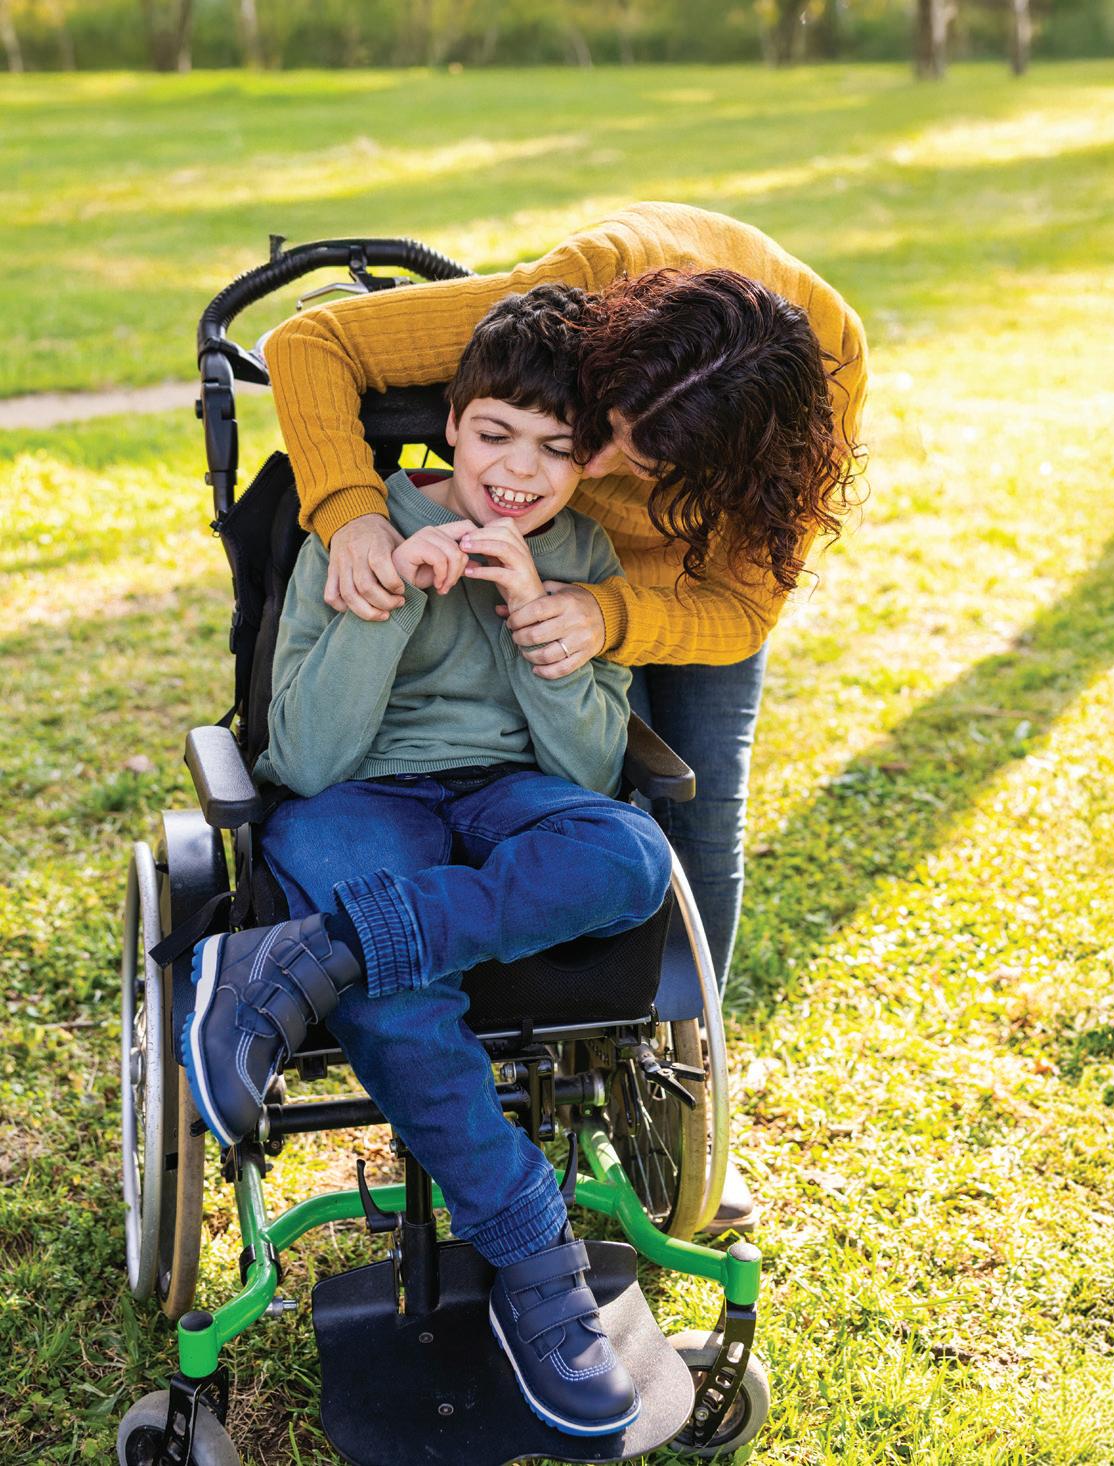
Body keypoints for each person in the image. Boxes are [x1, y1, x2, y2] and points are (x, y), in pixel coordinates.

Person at [264, 200, 869, 1231]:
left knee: (690, 814)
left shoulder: (817, 395)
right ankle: (444, 1026)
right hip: (502, 568)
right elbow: (312, 343)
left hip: (670, 582)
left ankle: (680, 1103)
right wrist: (355, 518)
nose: (591, 467)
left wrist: (604, 613)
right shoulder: (588, 293)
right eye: (603, 428)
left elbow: (740, 607)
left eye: (634, 458)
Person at [181, 285, 672, 1438]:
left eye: (556, 449)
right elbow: (311, 754)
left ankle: (316, 951)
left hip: (512, 789)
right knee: (395, 979)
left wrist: (538, 614)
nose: (520, 470)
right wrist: (392, 590)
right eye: (495, 433)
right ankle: (534, 1258)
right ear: (451, 423)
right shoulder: (353, 531)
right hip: (359, 793)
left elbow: (587, 763)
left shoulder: (580, 548)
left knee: (631, 853)